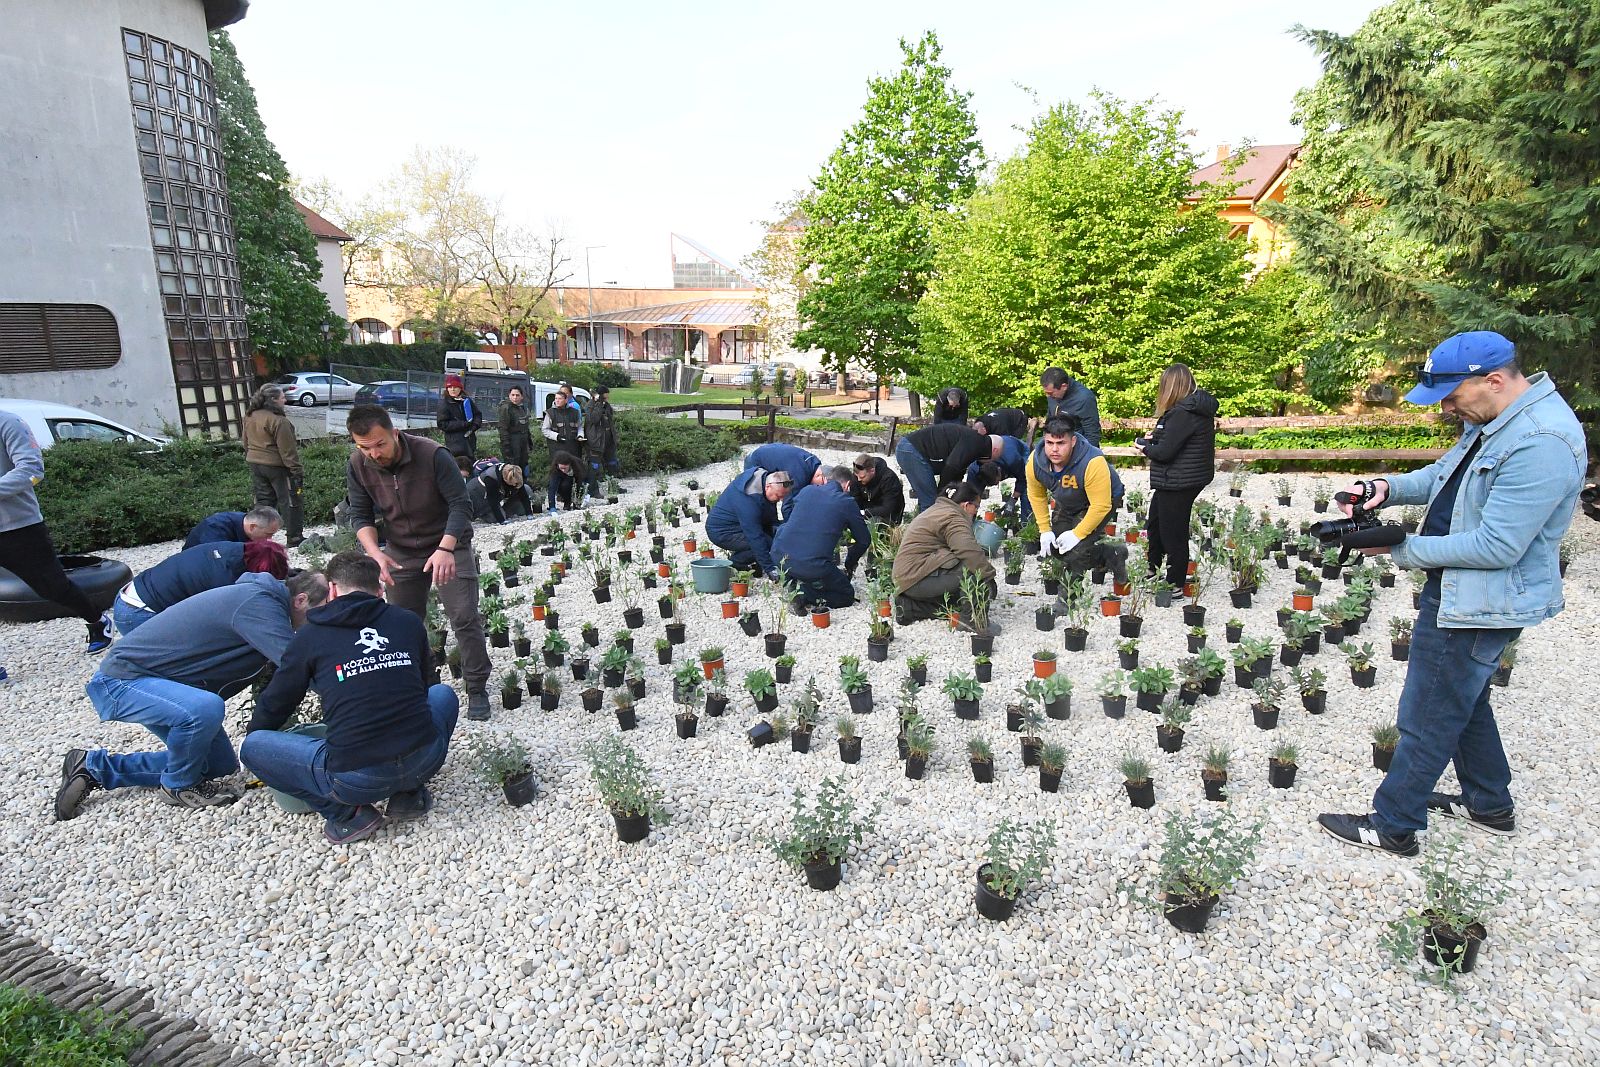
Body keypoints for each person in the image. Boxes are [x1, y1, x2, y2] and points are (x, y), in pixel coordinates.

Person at [1317, 331, 1585, 856]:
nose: (1445, 407)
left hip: (1482, 598)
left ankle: (1394, 824)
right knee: (1466, 698)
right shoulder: (1493, 421)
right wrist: (1385, 490)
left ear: (1494, 380)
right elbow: (1445, 476)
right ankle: (1490, 804)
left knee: (1428, 713)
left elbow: (1497, 545)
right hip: (1462, 586)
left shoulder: (1541, 442)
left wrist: (1399, 547)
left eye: (1451, 395)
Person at [54, 570, 327, 821]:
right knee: (205, 708)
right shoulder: (258, 606)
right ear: (301, 600)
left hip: (159, 684)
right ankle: (178, 786)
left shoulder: (264, 602)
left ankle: (94, 767)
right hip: (124, 680)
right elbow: (298, 667)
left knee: (216, 766)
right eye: (322, 611)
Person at [241, 552, 461, 845]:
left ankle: (348, 815)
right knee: (442, 694)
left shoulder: (308, 637)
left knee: (254, 747)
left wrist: (259, 739)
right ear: (380, 589)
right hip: (425, 758)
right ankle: (409, 794)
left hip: (357, 779)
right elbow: (425, 685)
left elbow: (278, 701)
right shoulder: (407, 622)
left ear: (332, 590)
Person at [344, 404, 492, 722]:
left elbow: (461, 504)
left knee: (464, 616)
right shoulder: (358, 464)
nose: (374, 453)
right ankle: (423, 684)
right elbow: (360, 513)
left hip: (450, 544)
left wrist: (445, 548)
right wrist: (374, 551)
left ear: (395, 433)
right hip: (401, 550)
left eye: (380, 444)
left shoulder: (433, 455)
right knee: (404, 624)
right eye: (364, 447)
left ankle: (477, 687)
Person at [0, 408, 115, 656]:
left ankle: (97, 620)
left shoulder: (9, 422)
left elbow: (31, 470)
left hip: (18, 527)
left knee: (52, 587)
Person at [1136, 364, 1218, 590]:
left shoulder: (1183, 413)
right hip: (1179, 478)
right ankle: (1155, 569)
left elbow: (1165, 452)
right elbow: (1175, 441)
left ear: (1170, 387)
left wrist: (1144, 447)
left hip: (1180, 480)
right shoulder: (1189, 410)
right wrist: (1155, 438)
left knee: (1173, 533)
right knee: (1156, 524)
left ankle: (1174, 583)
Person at [1026, 415, 1128, 583]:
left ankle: (1066, 601)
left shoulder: (1092, 462)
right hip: (1068, 498)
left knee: (1077, 550)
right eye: (1049, 443)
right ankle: (1111, 554)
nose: (1054, 450)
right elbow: (1036, 495)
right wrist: (1044, 530)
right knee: (1058, 548)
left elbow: (1101, 505)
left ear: (1073, 441)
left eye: (1061, 443)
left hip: (1100, 500)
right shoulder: (1034, 463)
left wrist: (1077, 534)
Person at [113, 539, 289, 635]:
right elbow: (226, 622)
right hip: (139, 613)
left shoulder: (231, 548)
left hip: (130, 593)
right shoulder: (222, 579)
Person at [891, 483, 997, 629]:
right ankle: (973, 621)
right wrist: (989, 576)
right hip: (916, 577)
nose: (976, 512)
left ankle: (910, 608)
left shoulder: (939, 509)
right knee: (972, 569)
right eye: (976, 507)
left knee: (958, 599)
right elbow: (968, 551)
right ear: (966, 505)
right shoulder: (953, 517)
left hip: (908, 578)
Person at [772, 467, 872, 608]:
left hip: (779, 555)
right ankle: (801, 594)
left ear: (826, 479)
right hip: (811, 565)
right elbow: (864, 540)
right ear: (848, 485)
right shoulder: (846, 502)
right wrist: (849, 564)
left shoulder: (807, 491)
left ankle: (792, 580)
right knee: (846, 595)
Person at [241, 384, 304, 547]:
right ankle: (294, 537)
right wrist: (296, 470)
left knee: (263, 502)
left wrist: (252, 456)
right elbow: (287, 450)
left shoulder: (250, 415)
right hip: (277, 466)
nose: (285, 399)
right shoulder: (279, 421)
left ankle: (258, 538)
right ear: (274, 400)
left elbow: (245, 441)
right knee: (289, 501)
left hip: (255, 463)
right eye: (282, 396)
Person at [894, 423, 1003, 514]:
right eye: (993, 459)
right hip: (911, 450)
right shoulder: (975, 444)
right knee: (931, 502)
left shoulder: (976, 444)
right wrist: (942, 493)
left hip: (913, 450)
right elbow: (952, 466)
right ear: (995, 451)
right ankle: (925, 537)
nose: (989, 462)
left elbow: (957, 472)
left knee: (931, 499)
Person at [705, 467, 793, 577]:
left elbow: (770, 516)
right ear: (768, 487)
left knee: (772, 538)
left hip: (740, 524)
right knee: (764, 544)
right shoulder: (748, 499)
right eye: (778, 496)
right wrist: (770, 569)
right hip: (722, 531)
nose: (780, 500)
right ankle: (734, 563)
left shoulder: (764, 481)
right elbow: (754, 537)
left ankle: (749, 561)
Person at [744, 442, 825, 521]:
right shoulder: (800, 475)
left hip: (765, 451)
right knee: (765, 498)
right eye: (820, 484)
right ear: (819, 475)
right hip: (755, 461)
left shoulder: (814, 462)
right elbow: (787, 506)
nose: (818, 487)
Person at [1041, 367, 1102, 446]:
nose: (1048, 396)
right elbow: (1049, 421)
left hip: (1079, 447)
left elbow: (1092, 434)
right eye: (1046, 393)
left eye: (1050, 393)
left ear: (1064, 386)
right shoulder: (1053, 395)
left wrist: (1085, 455)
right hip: (1055, 444)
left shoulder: (1084, 398)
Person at [464, 457, 533, 524]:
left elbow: (523, 494)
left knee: (527, 490)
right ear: (506, 480)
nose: (515, 485)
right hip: (478, 498)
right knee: (497, 517)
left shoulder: (515, 474)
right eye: (514, 484)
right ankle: (484, 514)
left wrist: (529, 514)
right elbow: (492, 501)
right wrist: (502, 520)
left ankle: (505, 511)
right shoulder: (491, 478)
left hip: (495, 494)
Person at [182, 506, 280, 551]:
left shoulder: (247, 523)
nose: (269, 539)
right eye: (268, 534)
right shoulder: (216, 528)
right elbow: (216, 561)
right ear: (252, 527)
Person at [849, 453, 905, 525]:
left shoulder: (889, 479)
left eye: (862, 477)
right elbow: (854, 499)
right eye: (857, 476)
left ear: (872, 471)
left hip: (888, 516)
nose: (858, 479)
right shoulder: (857, 476)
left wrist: (865, 512)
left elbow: (889, 508)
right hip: (865, 512)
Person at [435, 374, 481, 462]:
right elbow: (442, 424)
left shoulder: (467, 400)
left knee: (470, 467)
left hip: (469, 441)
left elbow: (477, 415)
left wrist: (474, 426)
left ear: (460, 388)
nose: (452, 389)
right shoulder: (444, 404)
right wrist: (463, 424)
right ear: (447, 388)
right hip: (455, 445)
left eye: (455, 387)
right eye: (450, 387)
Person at [584, 385, 620, 495]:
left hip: (608, 439)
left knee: (612, 463)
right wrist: (599, 404)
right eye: (604, 398)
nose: (606, 400)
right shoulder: (591, 405)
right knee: (594, 466)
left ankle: (613, 487)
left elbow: (610, 419)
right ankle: (593, 491)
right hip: (596, 440)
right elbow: (594, 419)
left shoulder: (606, 405)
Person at [498, 386, 533, 476]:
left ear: (521, 396)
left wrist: (529, 442)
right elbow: (503, 429)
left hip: (523, 441)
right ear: (509, 396)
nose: (515, 397)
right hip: (512, 441)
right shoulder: (506, 408)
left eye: (517, 395)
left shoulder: (523, 408)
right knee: (512, 468)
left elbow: (526, 426)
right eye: (512, 395)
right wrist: (507, 447)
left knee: (523, 465)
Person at [541, 388, 583, 453]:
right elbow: (545, 430)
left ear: (566, 400)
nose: (557, 401)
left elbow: (580, 426)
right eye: (556, 398)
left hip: (574, 448)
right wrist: (556, 436)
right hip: (556, 448)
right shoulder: (550, 413)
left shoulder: (575, 412)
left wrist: (580, 435)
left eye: (560, 399)